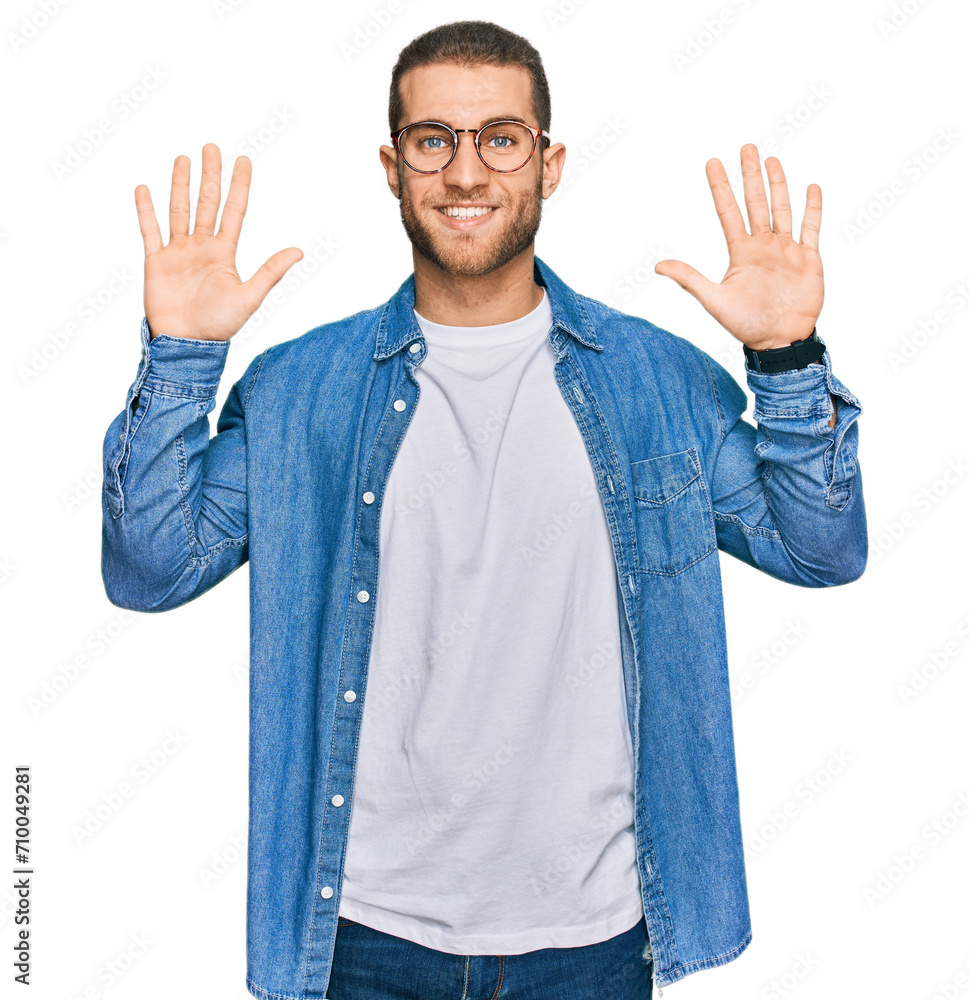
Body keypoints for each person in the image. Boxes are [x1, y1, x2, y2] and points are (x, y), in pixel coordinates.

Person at [100, 19, 867, 1000]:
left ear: (548, 164)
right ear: (393, 165)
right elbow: (149, 569)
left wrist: (788, 360)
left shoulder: (656, 381)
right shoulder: (299, 391)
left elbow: (822, 548)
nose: (467, 173)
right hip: (363, 939)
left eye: (500, 137)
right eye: (435, 140)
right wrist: (179, 357)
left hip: (593, 942)